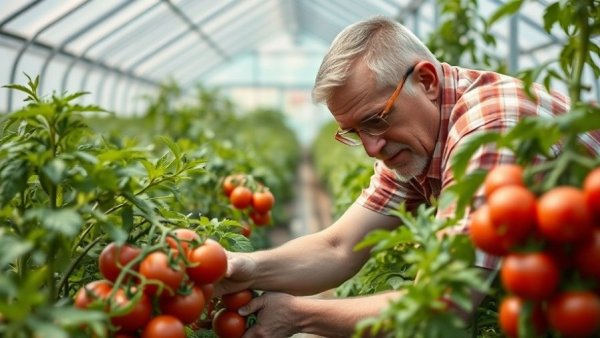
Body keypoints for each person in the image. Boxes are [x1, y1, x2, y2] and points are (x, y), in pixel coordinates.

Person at [215, 15, 600, 337]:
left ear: (428, 81)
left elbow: (442, 304)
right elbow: (338, 247)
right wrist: (246, 268)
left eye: (376, 120)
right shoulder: (418, 138)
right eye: (353, 131)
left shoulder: (489, 129)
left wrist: (301, 315)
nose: (370, 148)